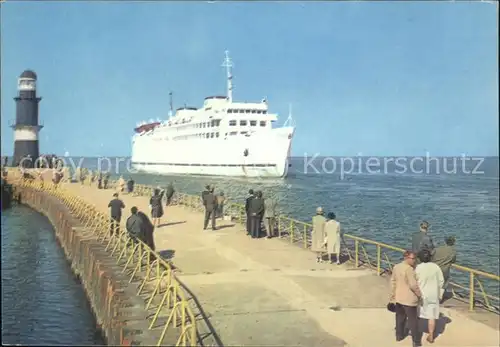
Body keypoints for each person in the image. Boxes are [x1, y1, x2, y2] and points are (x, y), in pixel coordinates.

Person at [389, 250, 422, 347]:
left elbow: (393, 281)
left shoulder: (396, 267)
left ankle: (399, 336)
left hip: (399, 297)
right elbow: (413, 285)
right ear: (406, 258)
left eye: (415, 258)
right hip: (409, 299)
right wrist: (419, 295)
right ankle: (416, 341)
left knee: (399, 318)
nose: (414, 261)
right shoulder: (409, 270)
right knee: (413, 321)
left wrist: (393, 295)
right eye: (412, 258)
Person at [416, 249, 444, 344]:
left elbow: (415, 280)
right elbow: (441, 281)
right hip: (433, 294)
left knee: (418, 313)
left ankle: (417, 330)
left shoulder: (418, 268)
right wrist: (440, 293)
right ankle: (431, 335)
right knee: (432, 316)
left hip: (422, 294)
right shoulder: (436, 267)